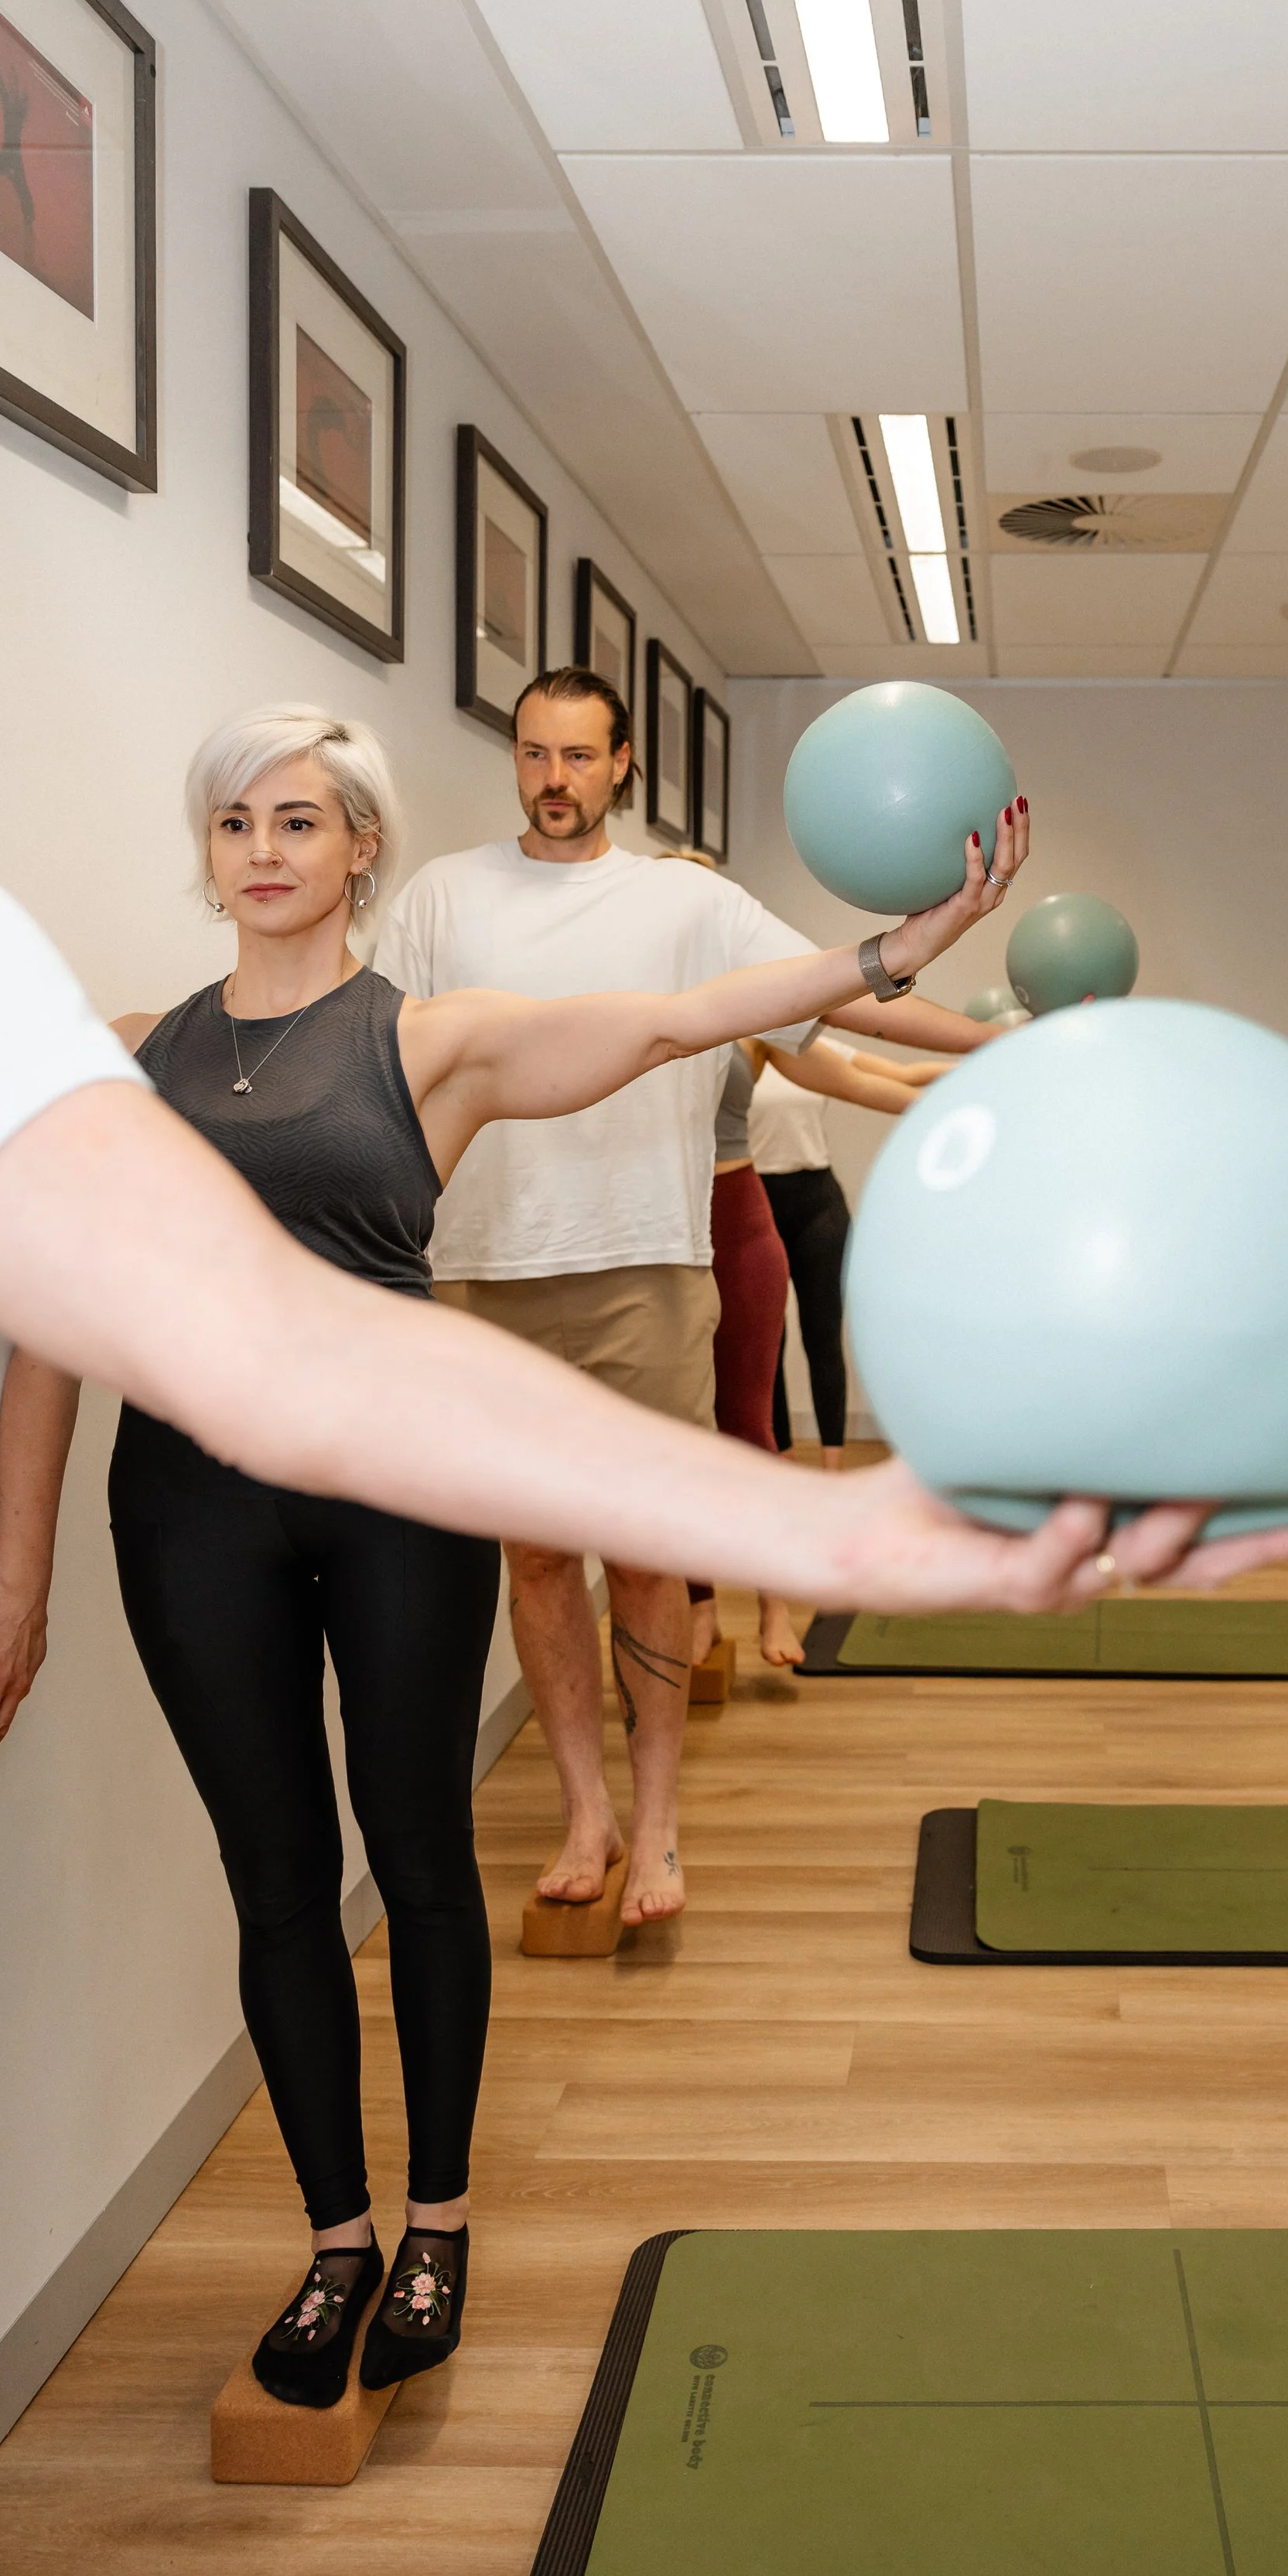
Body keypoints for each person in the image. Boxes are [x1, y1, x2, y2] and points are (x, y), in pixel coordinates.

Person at [0, 703, 1032, 2414]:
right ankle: (333, 2241)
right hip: (187, 1510)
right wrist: (16, 1574)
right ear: (210, 854)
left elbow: (681, 1016)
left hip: (393, 1485)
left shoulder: (434, 1043)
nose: (265, 849)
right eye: (237, 822)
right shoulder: (127, 1055)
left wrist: (883, 953)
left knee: (412, 1852)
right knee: (272, 1882)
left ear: (359, 853)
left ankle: (438, 2221)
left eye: (301, 822)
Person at [375, 668, 1014, 1932]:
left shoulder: (685, 900)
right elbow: (375, 1058)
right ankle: (585, 1813)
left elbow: (835, 987)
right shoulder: (441, 898)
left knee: (651, 1559)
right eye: (534, 754)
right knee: (542, 1559)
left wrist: (995, 1035)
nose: (553, 779)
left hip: (643, 1269)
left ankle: (659, 1823)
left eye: (578, 756)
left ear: (622, 768)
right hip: (479, 1276)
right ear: (517, 761)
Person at [690, 1035, 948, 1670]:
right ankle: (701, 1608)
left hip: (742, 1217)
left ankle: (774, 1604)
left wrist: (989, 1067)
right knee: (687, 1429)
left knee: (753, 1424)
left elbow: (875, 1079)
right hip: (668, 1228)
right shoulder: (649, 1008)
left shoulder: (756, 1029)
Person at [753, 1036, 948, 1472]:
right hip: (755, 1205)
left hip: (817, 1206)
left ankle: (832, 1469)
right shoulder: (736, 1051)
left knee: (823, 1338)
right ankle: (782, 1463)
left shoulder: (809, 1045)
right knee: (768, 1345)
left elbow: (898, 1075)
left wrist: (989, 1055)